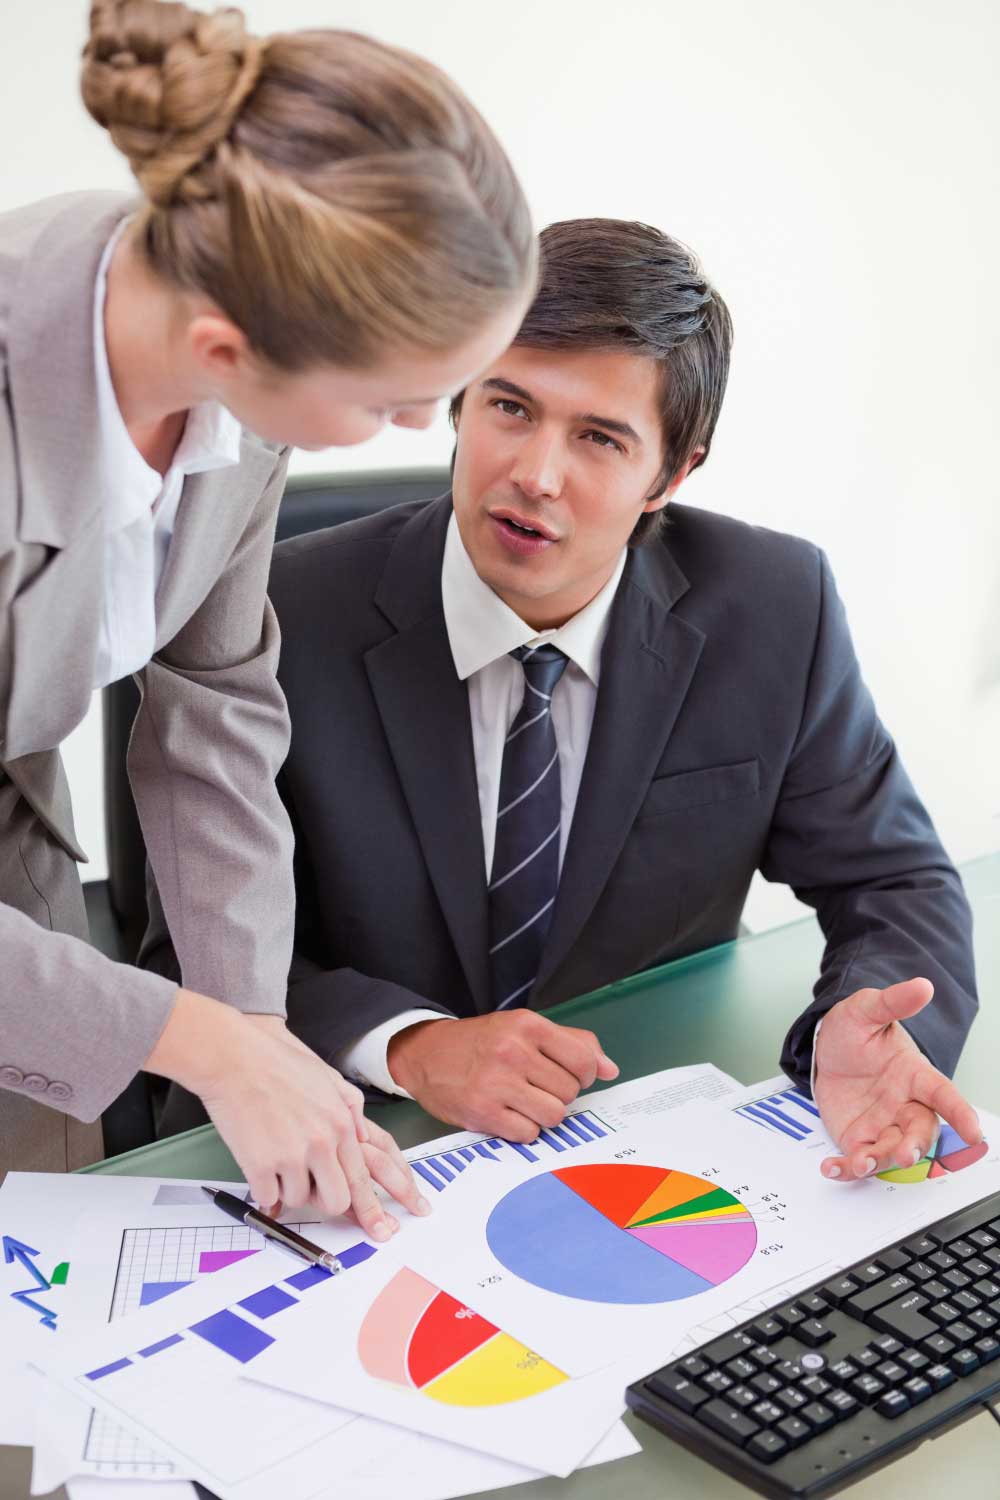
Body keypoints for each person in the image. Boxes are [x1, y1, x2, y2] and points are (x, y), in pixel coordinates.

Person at [148, 217, 980, 1185]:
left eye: (598, 438)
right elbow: (180, 959)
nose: (535, 475)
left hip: (636, 1157)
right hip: (353, 1156)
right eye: (509, 407)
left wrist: (859, 1017)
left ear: (670, 473)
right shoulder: (272, 617)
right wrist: (411, 1047)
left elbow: (896, 880)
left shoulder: (774, 610)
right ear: (460, 400)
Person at [0, 0, 536, 1231]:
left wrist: (252, 1032)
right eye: (394, 403)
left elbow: (218, 707)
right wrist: (200, 1042)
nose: (425, 435)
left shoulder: (234, 362)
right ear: (224, 346)